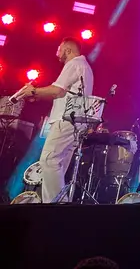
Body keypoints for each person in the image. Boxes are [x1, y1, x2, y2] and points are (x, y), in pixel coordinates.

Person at [17, 37, 94, 203]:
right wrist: (37, 95)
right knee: (58, 164)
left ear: (67, 50)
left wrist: (33, 91)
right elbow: (64, 94)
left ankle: (56, 205)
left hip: (66, 119)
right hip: (75, 121)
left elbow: (57, 90)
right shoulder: (84, 67)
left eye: (59, 49)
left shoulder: (74, 64)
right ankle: (58, 204)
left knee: (49, 160)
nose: (56, 53)